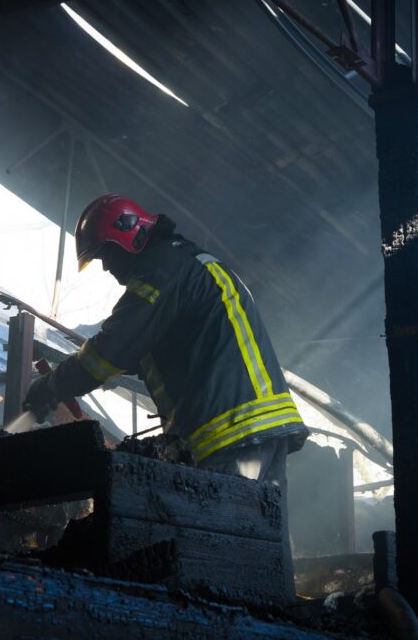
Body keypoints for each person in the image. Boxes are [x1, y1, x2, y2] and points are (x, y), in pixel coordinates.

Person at [25, 193, 308, 596]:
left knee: (223, 558)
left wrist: (52, 386)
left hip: (230, 432)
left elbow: (109, 352)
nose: (107, 267)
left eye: (107, 254)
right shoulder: (185, 266)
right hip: (259, 429)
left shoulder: (161, 270)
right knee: (265, 550)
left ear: (132, 236)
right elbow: (144, 350)